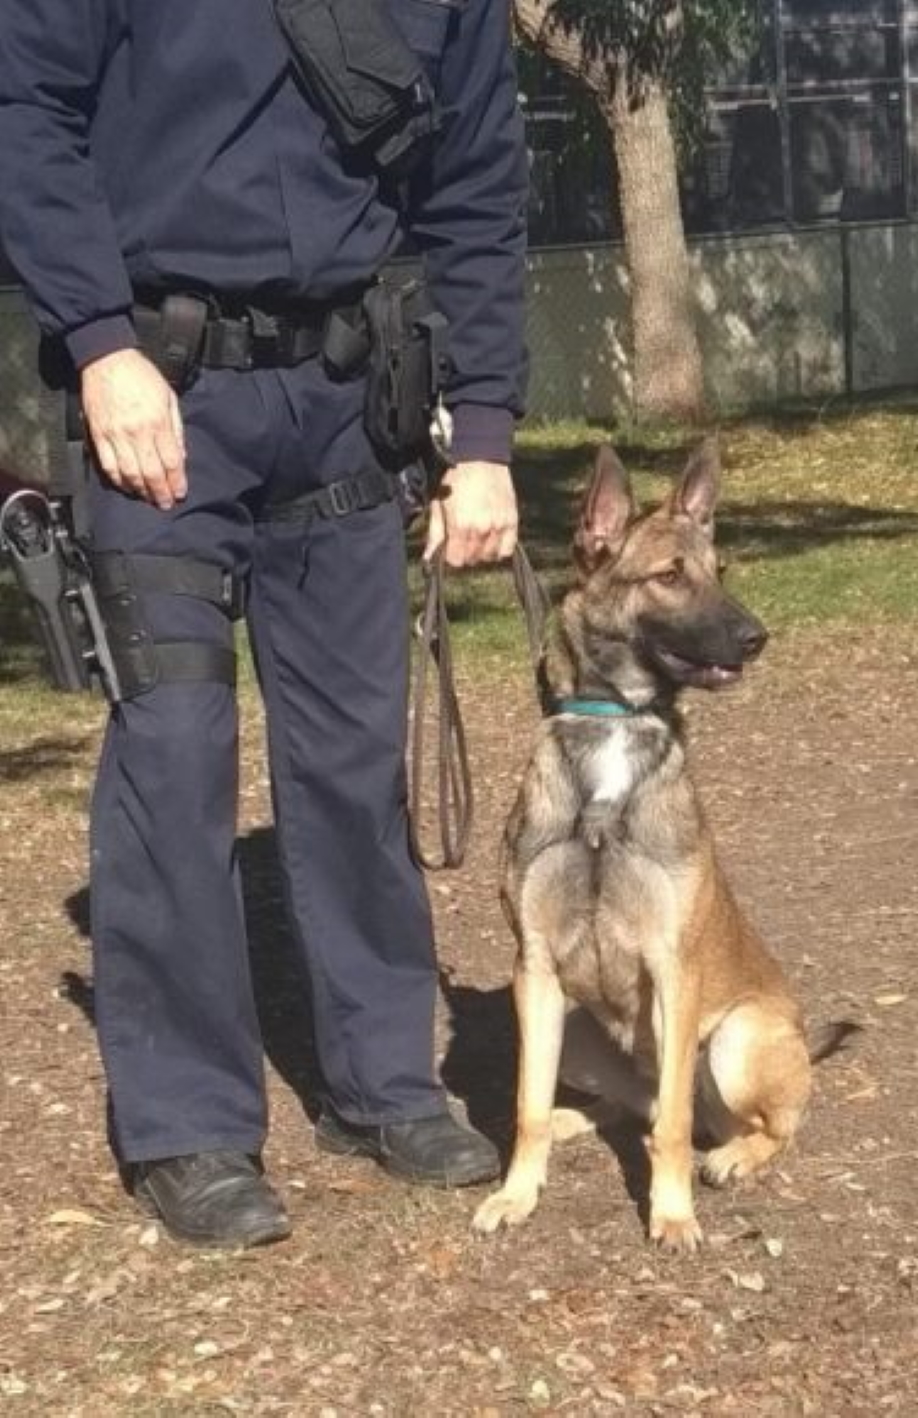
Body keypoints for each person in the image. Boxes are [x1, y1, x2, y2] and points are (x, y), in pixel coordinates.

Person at [0, 0, 527, 1248]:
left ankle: (383, 1083)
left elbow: (478, 184)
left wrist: (489, 431)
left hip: (350, 398)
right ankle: (189, 1124)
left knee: (352, 755)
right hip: (158, 399)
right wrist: (96, 341)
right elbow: (25, 112)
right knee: (176, 749)